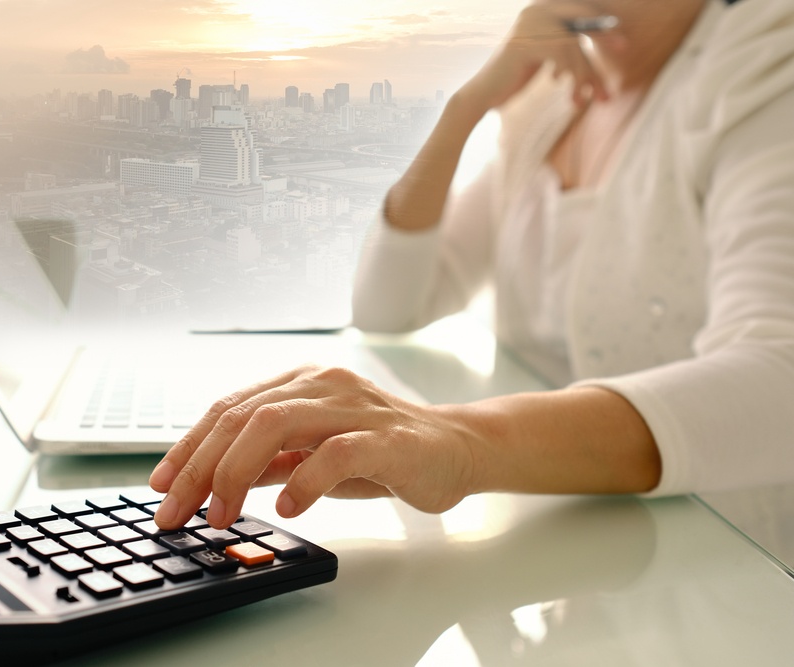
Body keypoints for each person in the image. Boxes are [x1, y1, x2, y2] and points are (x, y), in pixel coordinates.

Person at [151, 0, 794, 531]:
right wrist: (468, 106)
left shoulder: (765, 64)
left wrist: (461, 442)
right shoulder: (555, 99)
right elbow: (389, 306)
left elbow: (779, 382)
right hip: (564, 532)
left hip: (718, 546)